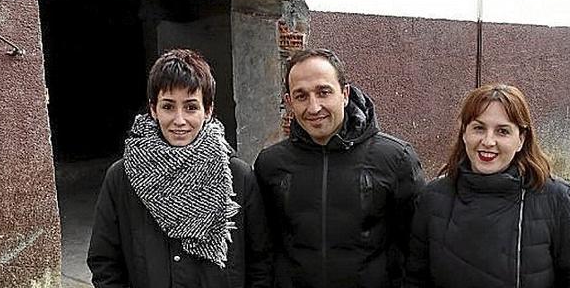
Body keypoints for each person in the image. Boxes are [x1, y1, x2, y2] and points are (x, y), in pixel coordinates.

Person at [87, 48, 272, 288]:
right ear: (153, 109)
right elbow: (104, 262)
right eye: (168, 106)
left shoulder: (237, 176)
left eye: (191, 107)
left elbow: (260, 261)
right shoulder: (123, 177)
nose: (179, 120)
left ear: (208, 110)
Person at [254, 48, 425, 288]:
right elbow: (263, 249)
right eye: (301, 96)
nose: (314, 107)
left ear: (344, 94)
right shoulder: (270, 164)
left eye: (323, 92)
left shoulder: (396, 159)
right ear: (289, 102)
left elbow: (417, 249)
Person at [404, 84, 570, 288]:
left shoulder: (558, 199)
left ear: (521, 140)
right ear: (464, 133)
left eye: (502, 131)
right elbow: (415, 280)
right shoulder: (432, 198)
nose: (488, 141)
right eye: (479, 128)